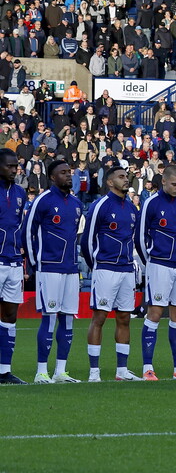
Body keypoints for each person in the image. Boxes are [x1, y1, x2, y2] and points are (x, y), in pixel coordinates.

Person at [24, 158, 84, 383]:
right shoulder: (43, 200)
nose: (68, 175)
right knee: (48, 318)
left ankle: (60, 371)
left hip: (70, 268)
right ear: (52, 177)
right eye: (63, 172)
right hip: (48, 267)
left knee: (68, 319)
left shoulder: (77, 203)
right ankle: (41, 371)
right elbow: (28, 232)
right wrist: (35, 264)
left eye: (69, 171)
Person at [81, 161, 142, 381]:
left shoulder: (132, 208)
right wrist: (96, 265)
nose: (126, 179)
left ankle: (122, 371)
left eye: (127, 176)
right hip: (105, 268)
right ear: (109, 182)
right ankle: (94, 372)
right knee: (99, 317)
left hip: (126, 269)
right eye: (121, 176)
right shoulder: (101, 205)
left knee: (124, 318)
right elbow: (86, 242)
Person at [138, 165, 176, 380]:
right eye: (174, 185)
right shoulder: (151, 203)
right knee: (154, 313)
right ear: (163, 181)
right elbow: (140, 236)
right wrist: (151, 262)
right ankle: (147, 368)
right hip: (159, 265)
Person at [0, 148, 28, 383]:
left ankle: (4, 371)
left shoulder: (20, 192)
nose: (14, 170)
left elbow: (20, 227)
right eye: (9, 166)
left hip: (14, 262)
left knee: (10, 315)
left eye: (16, 166)